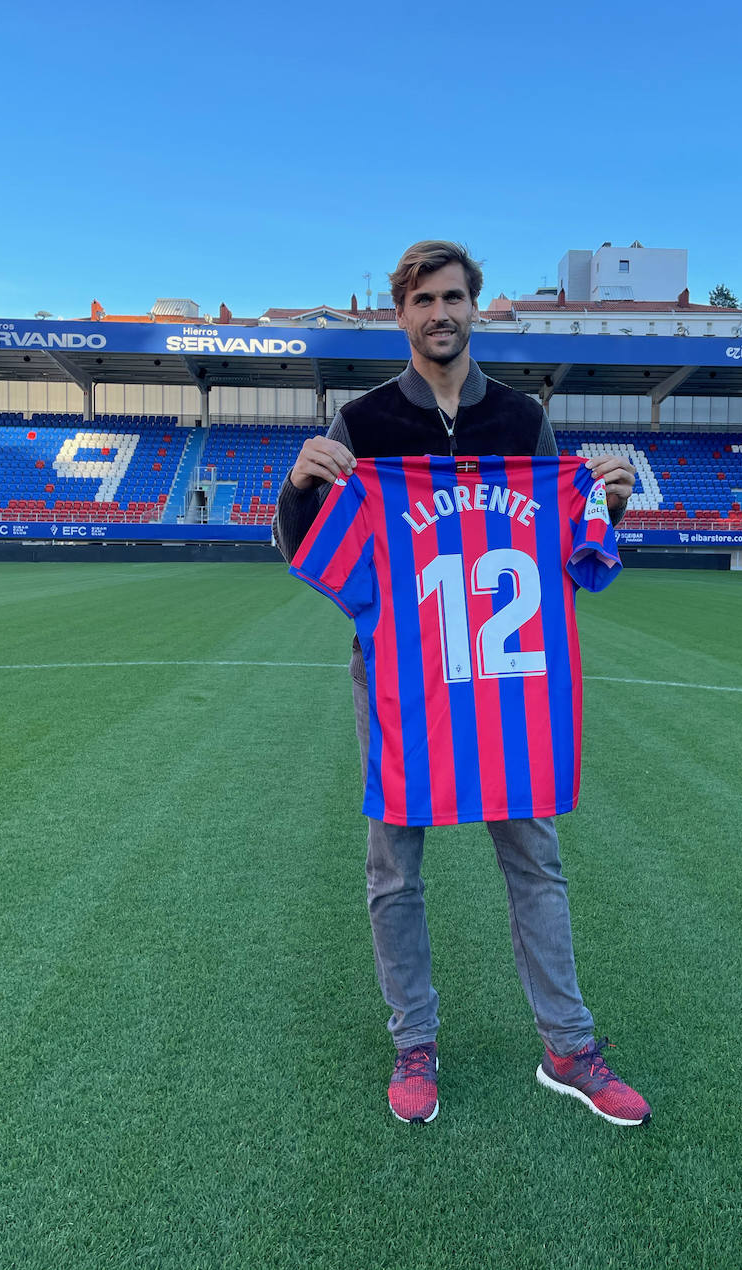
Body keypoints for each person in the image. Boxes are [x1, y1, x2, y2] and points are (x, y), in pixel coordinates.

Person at [274, 240, 650, 1127]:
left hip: (512, 689)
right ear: (399, 314)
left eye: (452, 298)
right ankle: (414, 1041)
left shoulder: (524, 423)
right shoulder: (360, 425)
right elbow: (306, 552)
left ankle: (569, 1046)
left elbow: (574, 550)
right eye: (421, 301)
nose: (438, 314)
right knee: (393, 867)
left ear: (473, 308)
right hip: (403, 684)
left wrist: (611, 499)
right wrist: (297, 487)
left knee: (534, 859)